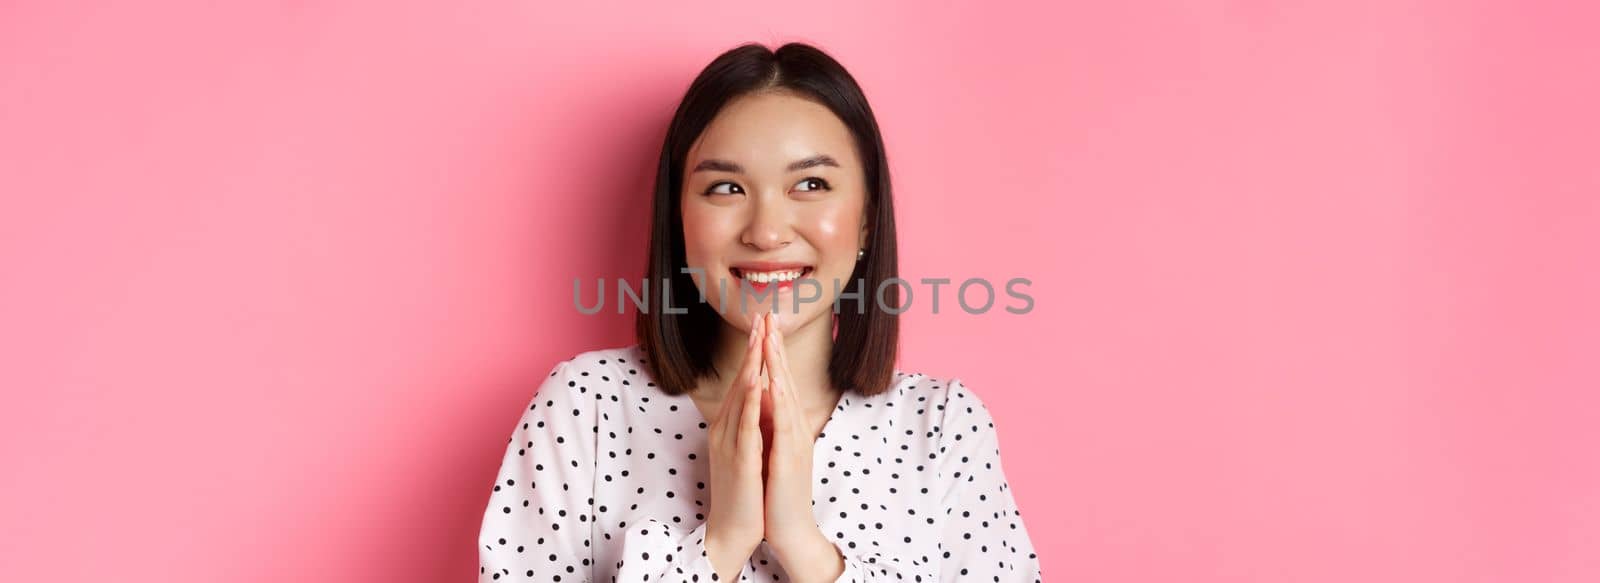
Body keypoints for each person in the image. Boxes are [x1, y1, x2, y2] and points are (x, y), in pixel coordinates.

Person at [478, 42, 1042, 583]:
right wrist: (720, 543)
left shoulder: (940, 427)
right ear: (679, 220)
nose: (767, 232)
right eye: (725, 188)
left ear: (867, 218)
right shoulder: (587, 408)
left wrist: (805, 546)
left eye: (811, 184)